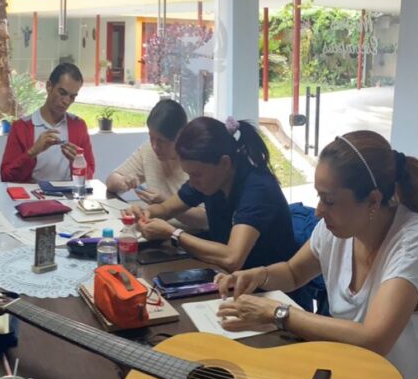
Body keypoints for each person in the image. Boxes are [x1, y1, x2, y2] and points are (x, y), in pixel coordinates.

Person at [216, 131, 418, 379]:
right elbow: (294, 273)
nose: (319, 210)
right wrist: (260, 275)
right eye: (319, 197)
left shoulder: (417, 240)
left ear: (373, 200)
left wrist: (278, 314)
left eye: (329, 200)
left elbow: (375, 339)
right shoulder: (336, 229)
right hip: (351, 365)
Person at [130, 117, 303, 302]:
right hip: (229, 282)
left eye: (196, 174)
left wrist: (174, 234)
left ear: (225, 163)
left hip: (271, 295)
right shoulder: (210, 180)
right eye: (189, 175)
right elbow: (166, 208)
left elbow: (232, 257)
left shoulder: (257, 190)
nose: (193, 182)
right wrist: (145, 213)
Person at [105, 98, 206, 232]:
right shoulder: (149, 151)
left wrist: (165, 203)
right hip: (157, 232)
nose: (154, 146)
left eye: (161, 141)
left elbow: (205, 219)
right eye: (151, 137)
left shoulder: (196, 161)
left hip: (190, 237)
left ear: (180, 136)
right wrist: (124, 182)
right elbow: (112, 180)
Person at [0, 63, 95, 183]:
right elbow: (6, 177)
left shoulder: (78, 126)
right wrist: (32, 152)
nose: (66, 101)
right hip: (32, 198)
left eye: (72, 97)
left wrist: (78, 164)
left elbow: (90, 177)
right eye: (62, 93)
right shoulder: (22, 127)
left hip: (69, 198)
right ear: (49, 86)